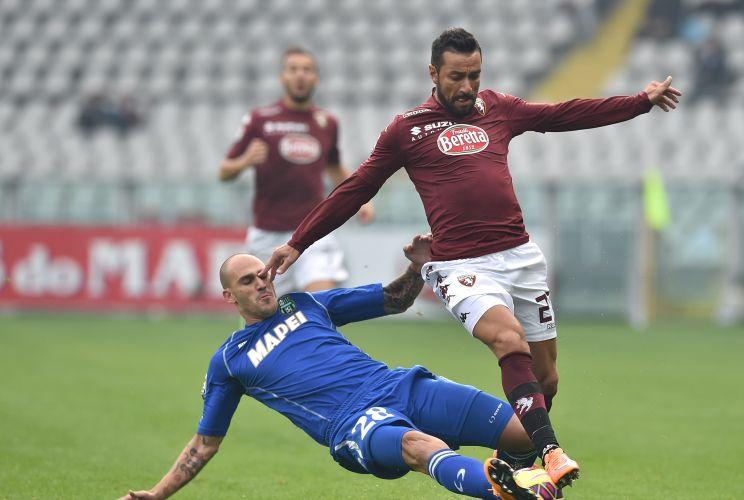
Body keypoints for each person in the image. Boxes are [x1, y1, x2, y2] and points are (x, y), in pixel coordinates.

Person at [265, 28, 682, 488]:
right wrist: (299, 241)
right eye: (457, 77)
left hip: (520, 257)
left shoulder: (499, 108)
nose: (467, 87)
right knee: (509, 341)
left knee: (547, 379)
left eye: (475, 76)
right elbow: (356, 187)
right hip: (461, 265)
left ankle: (511, 473)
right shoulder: (407, 129)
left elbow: (563, 114)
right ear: (433, 74)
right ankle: (551, 452)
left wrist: (640, 101)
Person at [120, 235, 559, 500]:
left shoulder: (307, 303)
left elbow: (394, 300)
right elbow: (204, 443)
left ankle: (511, 480)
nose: (262, 283)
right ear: (229, 297)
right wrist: (159, 493)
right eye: (247, 280)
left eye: (263, 274)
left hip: (399, 385)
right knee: (418, 446)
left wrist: (418, 266)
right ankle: (504, 488)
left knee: (523, 433)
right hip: (353, 424)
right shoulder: (230, 361)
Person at [218, 46, 374, 296]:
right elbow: (224, 172)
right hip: (266, 235)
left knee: (322, 302)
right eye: (293, 69)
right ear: (283, 77)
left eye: (307, 70)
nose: (300, 75)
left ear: (316, 78)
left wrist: (361, 199)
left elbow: (333, 165)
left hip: (313, 231)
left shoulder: (327, 122)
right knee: (268, 319)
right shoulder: (260, 120)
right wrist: (245, 160)